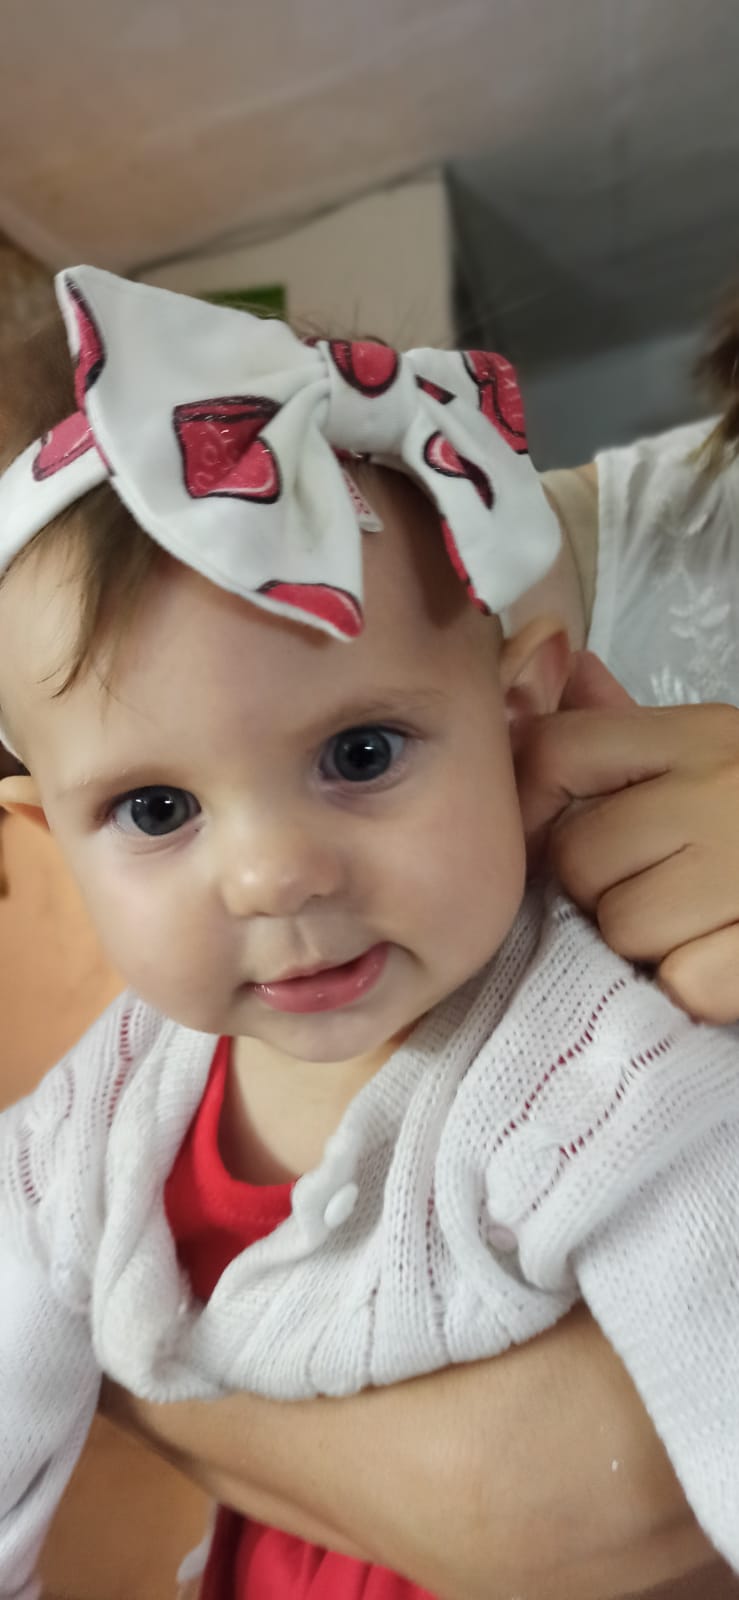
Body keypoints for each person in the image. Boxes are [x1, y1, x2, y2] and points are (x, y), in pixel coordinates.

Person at [2, 267, 739, 1600]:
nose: (274, 875)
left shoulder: (602, 1074)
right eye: (158, 809)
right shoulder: (90, 1119)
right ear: (52, 842)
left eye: (360, 752)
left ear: (519, 719)